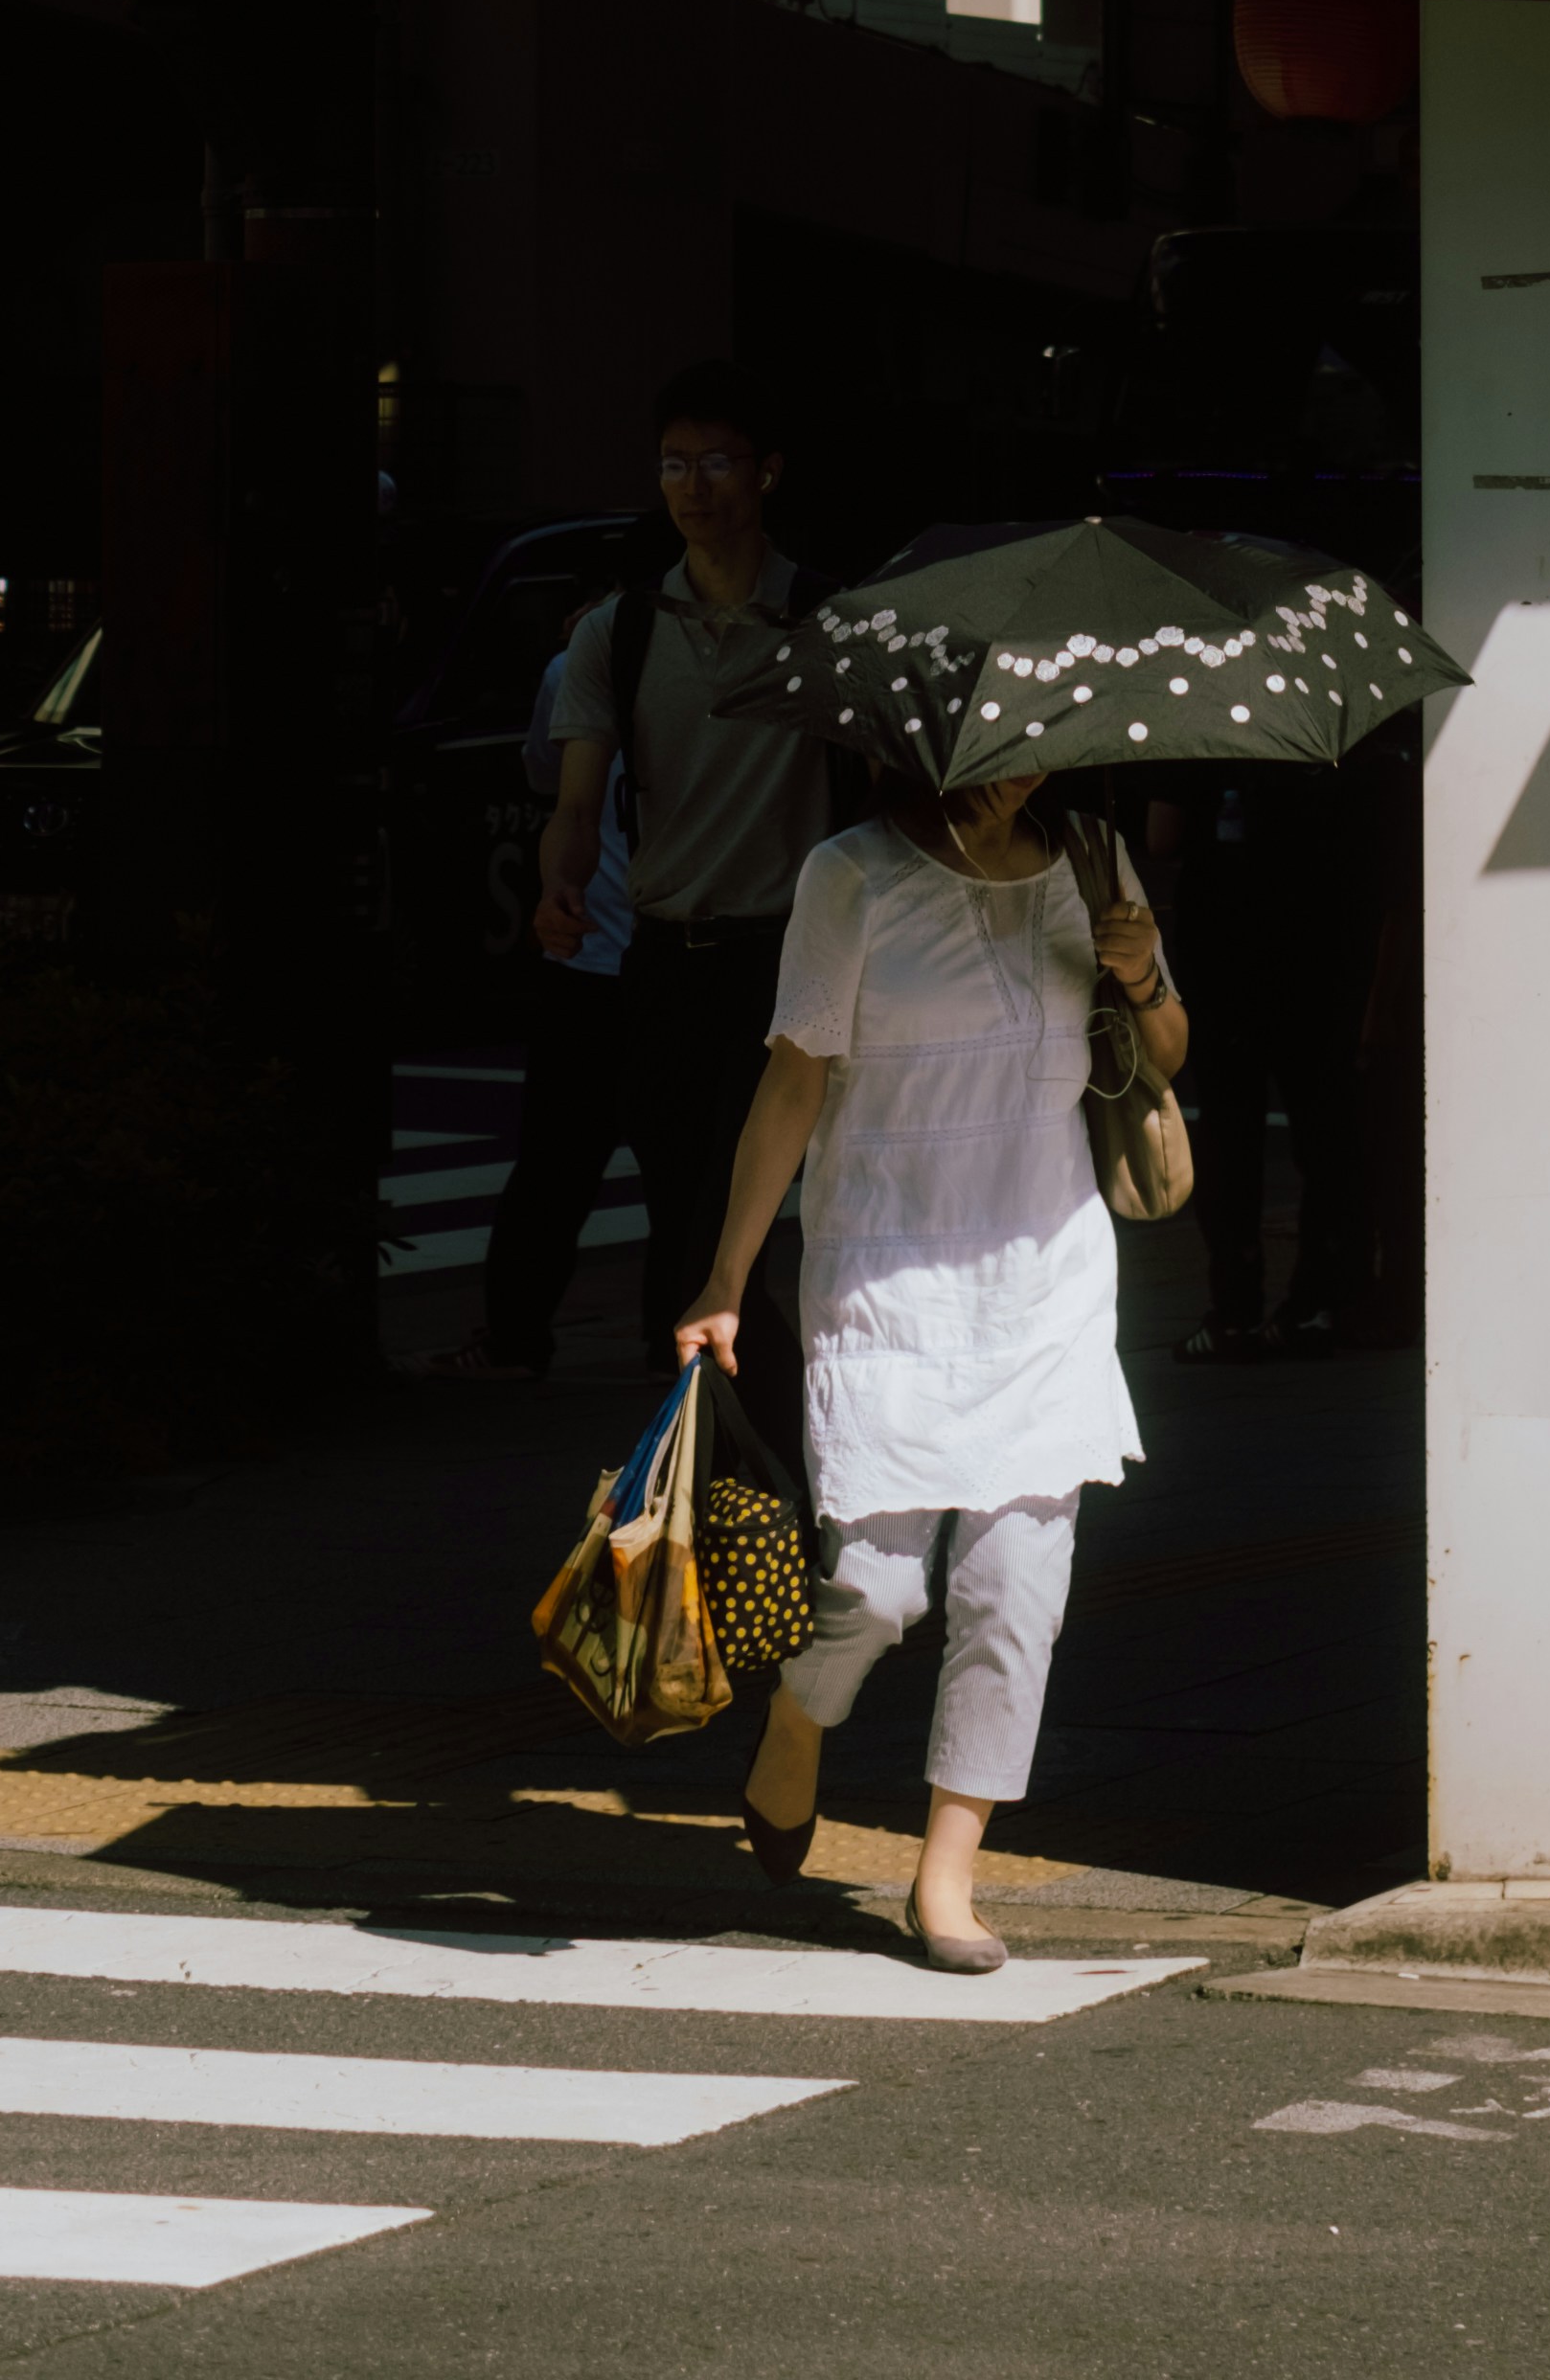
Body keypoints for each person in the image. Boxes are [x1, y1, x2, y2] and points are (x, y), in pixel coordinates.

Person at [675, 757, 1184, 1974]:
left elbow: (1164, 1048)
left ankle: (945, 1874)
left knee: (1016, 1595)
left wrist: (1142, 972)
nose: (1023, 766)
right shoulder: (848, 875)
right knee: (878, 1591)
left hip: (1045, 1273)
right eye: (991, 740)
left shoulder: (1091, 859)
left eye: (1037, 744)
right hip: (888, 1264)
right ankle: (798, 1716)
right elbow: (793, 1078)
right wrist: (726, 1276)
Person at [539, 378, 823, 1450]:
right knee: (681, 1231)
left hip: (788, 961)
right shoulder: (620, 631)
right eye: (671, 463)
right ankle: (735, 1469)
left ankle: (782, 1466)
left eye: (714, 462)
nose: (690, 487)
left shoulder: (820, 619)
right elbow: (576, 801)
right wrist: (558, 884)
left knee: (721, 1229)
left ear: (766, 473)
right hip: (661, 961)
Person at [421, 644, 637, 1383]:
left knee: (554, 1166)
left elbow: (548, 776)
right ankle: (679, 1349)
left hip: (594, 944)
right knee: (687, 1167)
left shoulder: (585, 659)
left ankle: (516, 1337)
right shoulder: (733, 649)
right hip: (665, 944)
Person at [1144, 757, 1364, 1360]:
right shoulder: (1313, 735)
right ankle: (1315, 1300)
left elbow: (1160, 838)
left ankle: (1234, 1312)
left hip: (1224, 960)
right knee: (1321, 1134)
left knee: (1229, 1136)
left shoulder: (1198, 730)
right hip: (1312, 955)